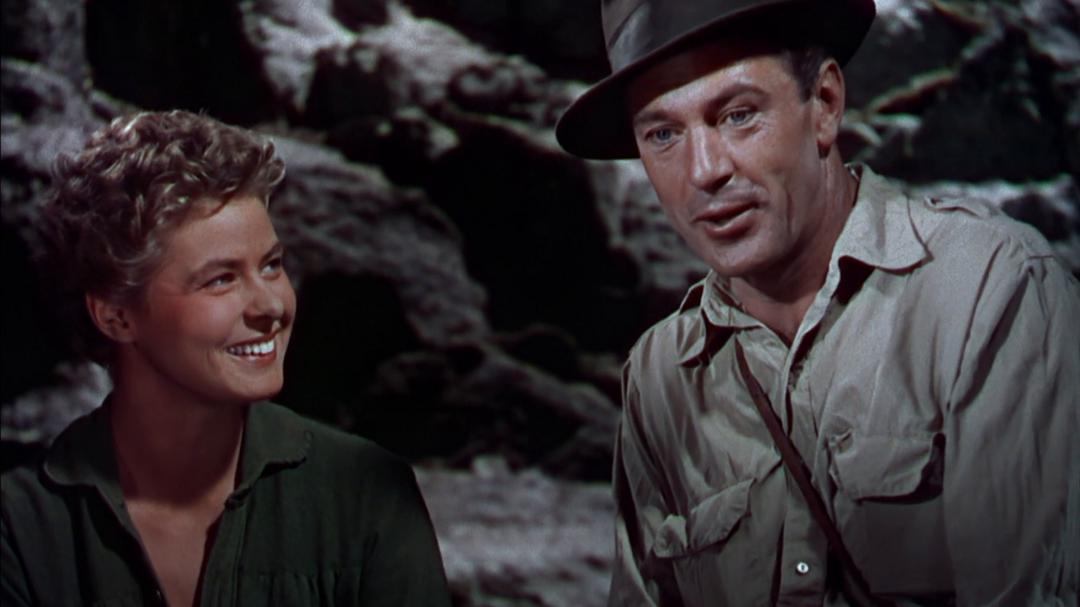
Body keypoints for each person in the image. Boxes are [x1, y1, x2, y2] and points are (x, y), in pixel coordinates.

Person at [556, 0, 1080, 605]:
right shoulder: (660, 376)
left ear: (825, 104)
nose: (704, 171)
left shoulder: (987, 292)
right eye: (664, 134)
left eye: (738, 115)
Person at [1, 110, 453, 606]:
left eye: (272, 266)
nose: (271, 306)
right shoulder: (20, 527)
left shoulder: (367, 495)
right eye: (221, 279)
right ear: (116, 316)